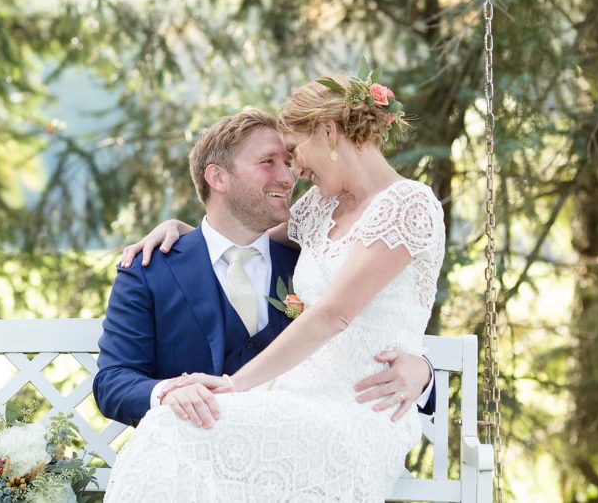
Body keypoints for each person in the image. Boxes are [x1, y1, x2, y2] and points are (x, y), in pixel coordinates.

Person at [97, 76, 445, 501]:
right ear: (217, 177)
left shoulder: (406, 204)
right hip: (287, 402)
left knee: (170, 431)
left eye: (293, 153)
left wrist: (425, 371)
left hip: (351, 412)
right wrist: (185, 234)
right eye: (272, 162)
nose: (293, 173)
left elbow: (340, 313)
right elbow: (234, 237)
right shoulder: (320, 211)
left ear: (329, 132)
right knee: (167, 426)